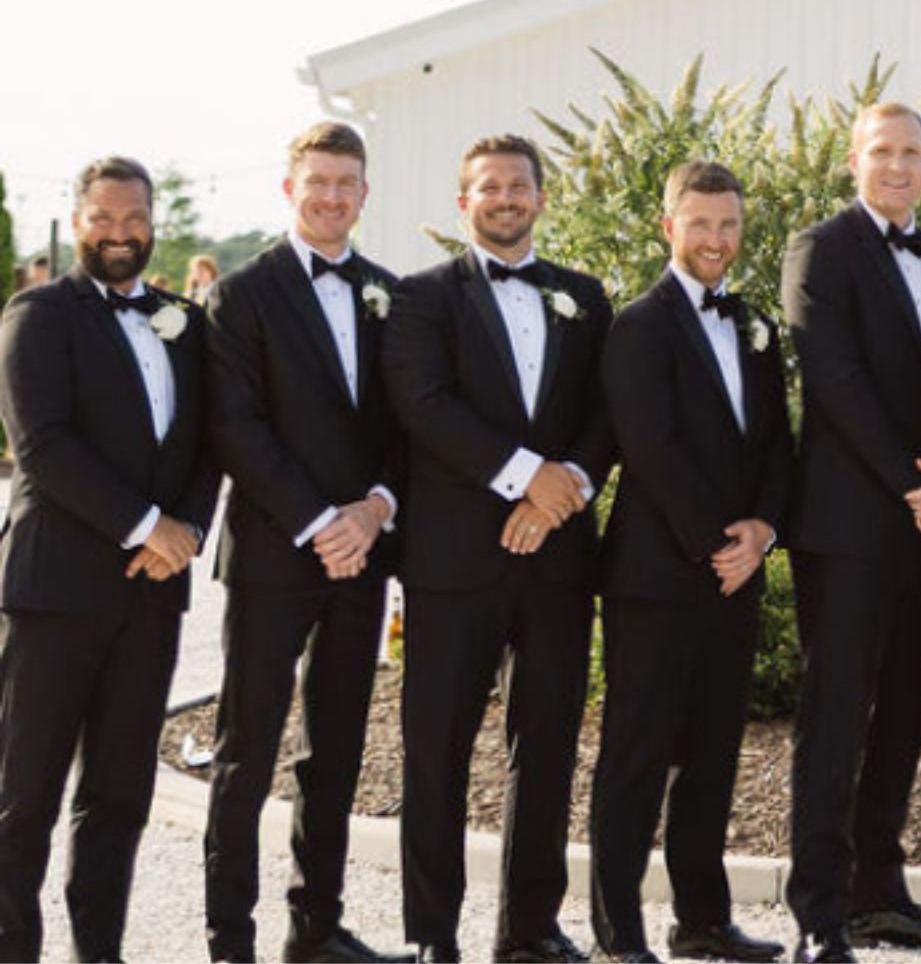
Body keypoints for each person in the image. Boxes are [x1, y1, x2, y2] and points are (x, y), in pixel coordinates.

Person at [384, 133, 616, 963]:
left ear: (541, 198)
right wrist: (527, 477)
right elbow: (423, 404)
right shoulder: (420, 298)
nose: (507, 198)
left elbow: (606, 411)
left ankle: (529, 929)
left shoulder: (585, 297)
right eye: (490, 187)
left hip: (557, 561)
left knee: (546, 747)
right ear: (464, 203)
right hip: (453, 562)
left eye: (520, 186)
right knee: (437, 753)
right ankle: (432, 936)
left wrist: (566, 489)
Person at [197, 120, 409, 964]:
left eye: (345, 183)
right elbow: (236, 428)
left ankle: (315, 930)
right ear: (290, 190)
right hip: (274, 557)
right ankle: (230, 942)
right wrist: (322, 523)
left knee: (336, 752)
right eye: (317, 182)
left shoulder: (391, 294)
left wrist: (376, 510)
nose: (331, 197)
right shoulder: (240, 295)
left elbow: (406, 424)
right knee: (246, 753)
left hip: (363, 558)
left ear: (365, 193)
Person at [0, 155, 220, 964]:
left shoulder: (184, 323)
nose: (120, 234)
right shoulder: (36, 314)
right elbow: (43, 446)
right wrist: (147, 526)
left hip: (152, 597)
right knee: (23, 797)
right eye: (104, 218)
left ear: (153, 224)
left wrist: (185, 530)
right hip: (54, 595)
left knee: (120, 794)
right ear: (78, 220)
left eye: (134, 219)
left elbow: (210, 442)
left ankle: (100, 952)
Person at [586, 161, 793, 964]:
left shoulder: (755, 325)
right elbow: (652, 448)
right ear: (668, 225)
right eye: (700, 223)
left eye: (728, 224)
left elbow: (777, 442)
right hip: (656, 576)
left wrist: (763, 530)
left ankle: (702, 922)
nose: (715, 238)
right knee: (635, 759)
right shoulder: (639, 326)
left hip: (735, 573)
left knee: (712, 755)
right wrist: (718, 543)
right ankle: (618, 934)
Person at [779, 101, 921, 963]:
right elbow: (835, 376)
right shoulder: (821, 249)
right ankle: (820, 913)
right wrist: (912, 481)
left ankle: (879, 896)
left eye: (912, 152)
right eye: (882, 151)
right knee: (835, 717)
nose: (898, 166)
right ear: (853, 161)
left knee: (903, 712)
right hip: (851, 525)